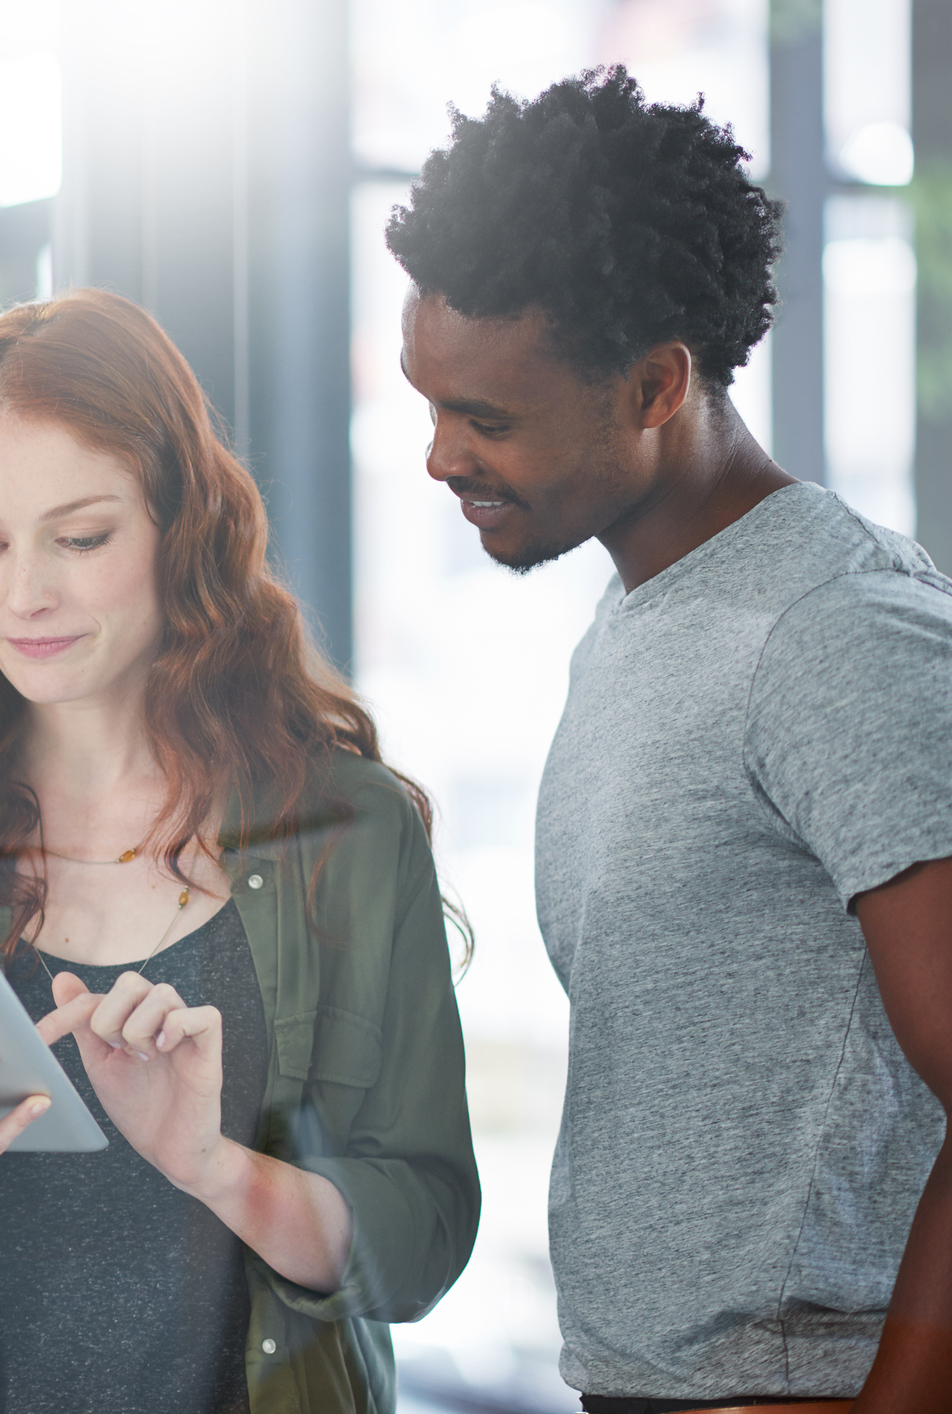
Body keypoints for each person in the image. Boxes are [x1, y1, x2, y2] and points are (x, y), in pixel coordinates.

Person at [0, 289, 480, 1414]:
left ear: (178, 523)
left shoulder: (344, 830)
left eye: (81, 537)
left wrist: (212, 1167)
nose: (24, 594)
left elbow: (425, 1235)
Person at [388, 66, 952, 1413]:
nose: (436, 455)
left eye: (486, 417)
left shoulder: (828, 631)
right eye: (428, 403)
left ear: (652, 385)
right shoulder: (640, 612)